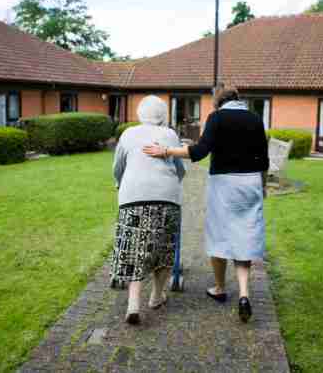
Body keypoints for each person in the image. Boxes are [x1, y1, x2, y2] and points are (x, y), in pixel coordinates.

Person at [143, 87, 268, 322]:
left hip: (224, 184)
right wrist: (262, 187)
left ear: (218, 103)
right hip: (251, 183)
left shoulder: (217, 117)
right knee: (244, 236)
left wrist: (166, 151)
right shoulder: (255, 119)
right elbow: (263, 158)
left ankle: (220, 288)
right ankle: (244, 293)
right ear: (238, 100)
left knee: (219, 234)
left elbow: (199, 151)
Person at [111, 95, 186, 325]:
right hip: (166, 198)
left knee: (134, 248)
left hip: (133, 197)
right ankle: (155, 296)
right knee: (163, 247)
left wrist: (119, 183)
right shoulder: (170, 134)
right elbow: (180, 170)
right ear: (163, 116)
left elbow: (117, 168)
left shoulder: (127, 134)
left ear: (139, 114)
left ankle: (133, 303)